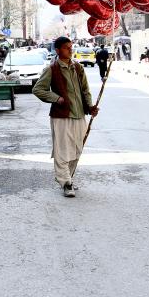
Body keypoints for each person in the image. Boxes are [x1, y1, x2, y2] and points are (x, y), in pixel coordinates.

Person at [32, 37, 98, 198]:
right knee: (62, 150)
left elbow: (85, 90)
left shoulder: (77, 67)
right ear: (58, 50)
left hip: (79, 114)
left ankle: (68, 177)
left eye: (71, 47)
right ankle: (66, 182)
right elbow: (38, 89)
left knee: (77, 149)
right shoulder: (52, 69)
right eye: (67, 48)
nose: (71, 50)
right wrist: (56, 98)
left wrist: (90, 107)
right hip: (61, 116)